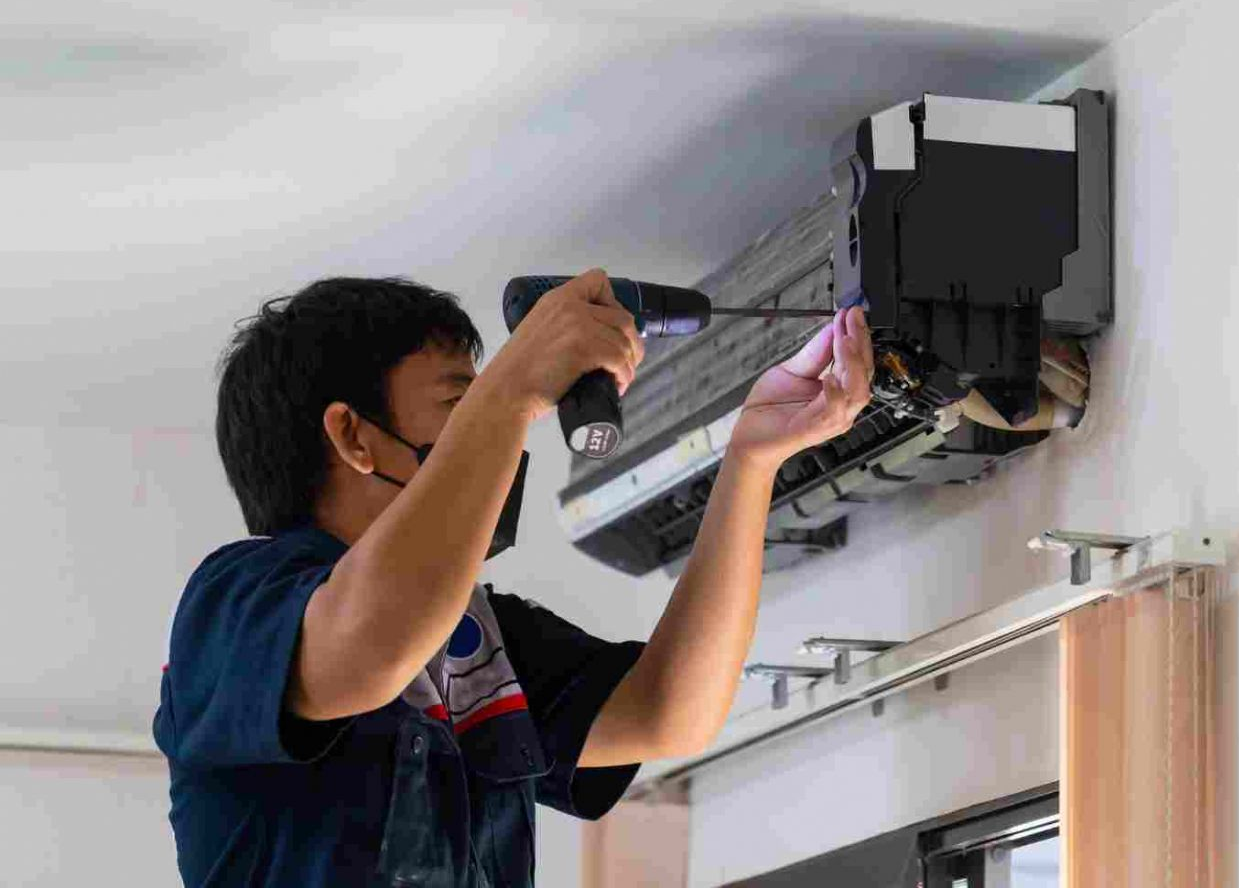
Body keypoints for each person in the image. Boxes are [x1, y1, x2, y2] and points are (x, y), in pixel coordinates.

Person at [153, 269, 874, 886]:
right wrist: (510, 390)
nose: (497, 439)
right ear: (353, 436)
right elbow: (373, 643)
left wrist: (750, 462)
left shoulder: (478, 638)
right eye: (459, 405)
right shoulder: (233, 605)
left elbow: (668, 709)